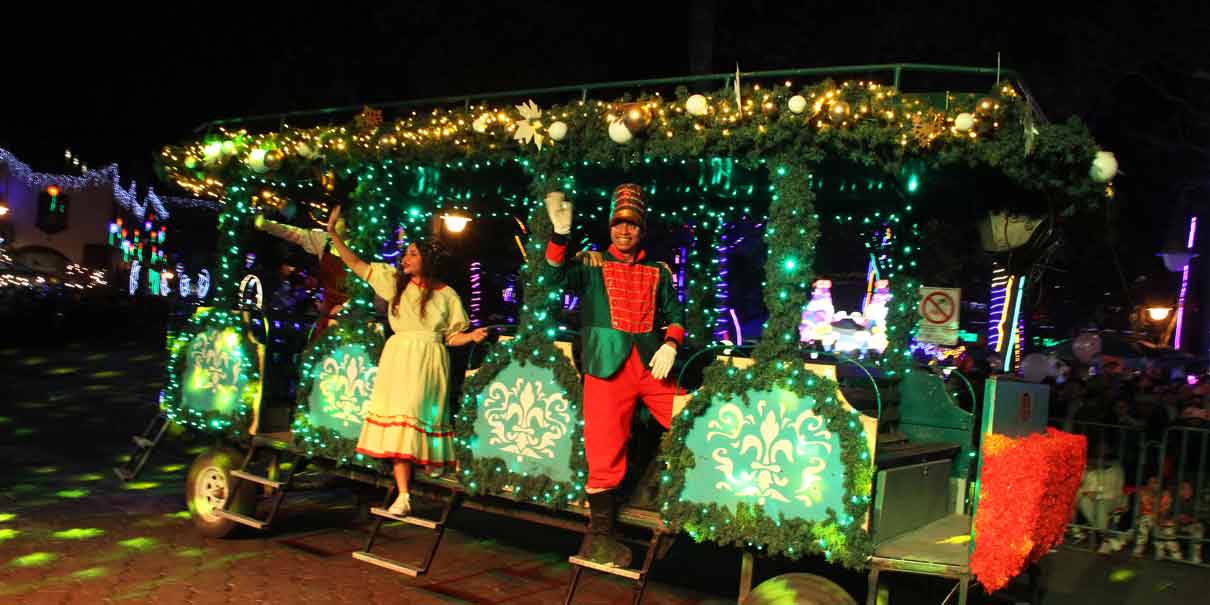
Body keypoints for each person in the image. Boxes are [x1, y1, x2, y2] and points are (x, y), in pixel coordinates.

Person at [543, 183, 686, 568]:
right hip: (606, 366)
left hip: (650, 364)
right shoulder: (590, 264)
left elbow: (676, 316)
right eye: (619, 224)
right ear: (610, 227)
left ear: (642, 230)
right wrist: (559, 235)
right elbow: (554, 277)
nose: (625, 232)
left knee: (691, 421)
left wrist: (670, 344)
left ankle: (692, 503)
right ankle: (600, 539)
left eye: (633, 225)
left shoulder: (658, 271)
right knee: (604, 451)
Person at [326, 206, 487, 516]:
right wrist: (333, 234)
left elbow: (452, 336)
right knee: (402, 417)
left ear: (427, 258)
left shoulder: (447, 295)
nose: (405, 259)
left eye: (412, 254)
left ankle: (432, 459)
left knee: (422, 412)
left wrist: (471, 337)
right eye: (407, 254)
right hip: (400, 357)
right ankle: (403, 495)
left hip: (430, 358)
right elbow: (356, 263)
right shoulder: (393, 283)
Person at [255, 213, 349, 342]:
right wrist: (267, 225)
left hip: (349, 309)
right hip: (328, 307)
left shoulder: (360, 248)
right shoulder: (323, 241)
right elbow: (293, 233)